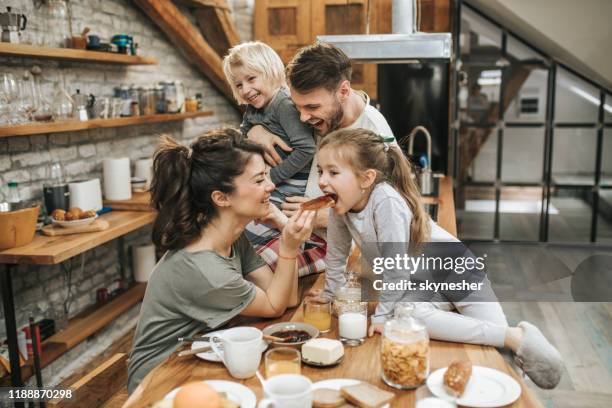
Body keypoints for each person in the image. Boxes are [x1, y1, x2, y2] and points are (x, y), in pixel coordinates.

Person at [312, 128, 563, 389]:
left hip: (457, 271)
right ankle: (514, 337)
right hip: (424, 284)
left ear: (367, 178)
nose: (322, 181)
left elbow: (395, 270)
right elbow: (336, 254)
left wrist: (380, 318)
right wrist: (329, 294)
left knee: (499, 356)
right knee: (408, 314)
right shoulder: (339, 207)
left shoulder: (384, 200)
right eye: (320, 171)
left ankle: (518, 356)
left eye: (333, 172)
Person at [127, 129, 315, 394]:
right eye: (260, 179)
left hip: (199, 355)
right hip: (160, 379)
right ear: (221, 197)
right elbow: (275, 304)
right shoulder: (204, 269)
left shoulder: (231, 237)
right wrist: (289, 245)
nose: (271, 187)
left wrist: (286, 231)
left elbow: (285, 298)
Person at [247, 43, 396, 230]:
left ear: (343, 91)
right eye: (297, 107)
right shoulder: (312, 116)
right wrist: (257, 129)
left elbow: (391, 216)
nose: (302, 117)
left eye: (312, 107)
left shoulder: (374, 133)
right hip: (285, 224)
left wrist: (331, 217)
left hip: (328, 245)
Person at [223, 41, 324, 277]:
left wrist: (272, 177)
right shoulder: (254, 107)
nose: (246, 89)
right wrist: (253, 132)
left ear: (270, 72)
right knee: (243, 232)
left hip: (289, 183)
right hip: (273, 182)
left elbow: (306, 149)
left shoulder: (283, 104)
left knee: (257, 233)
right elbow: (243, 134)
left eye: (251, 79)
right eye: (239, 84)